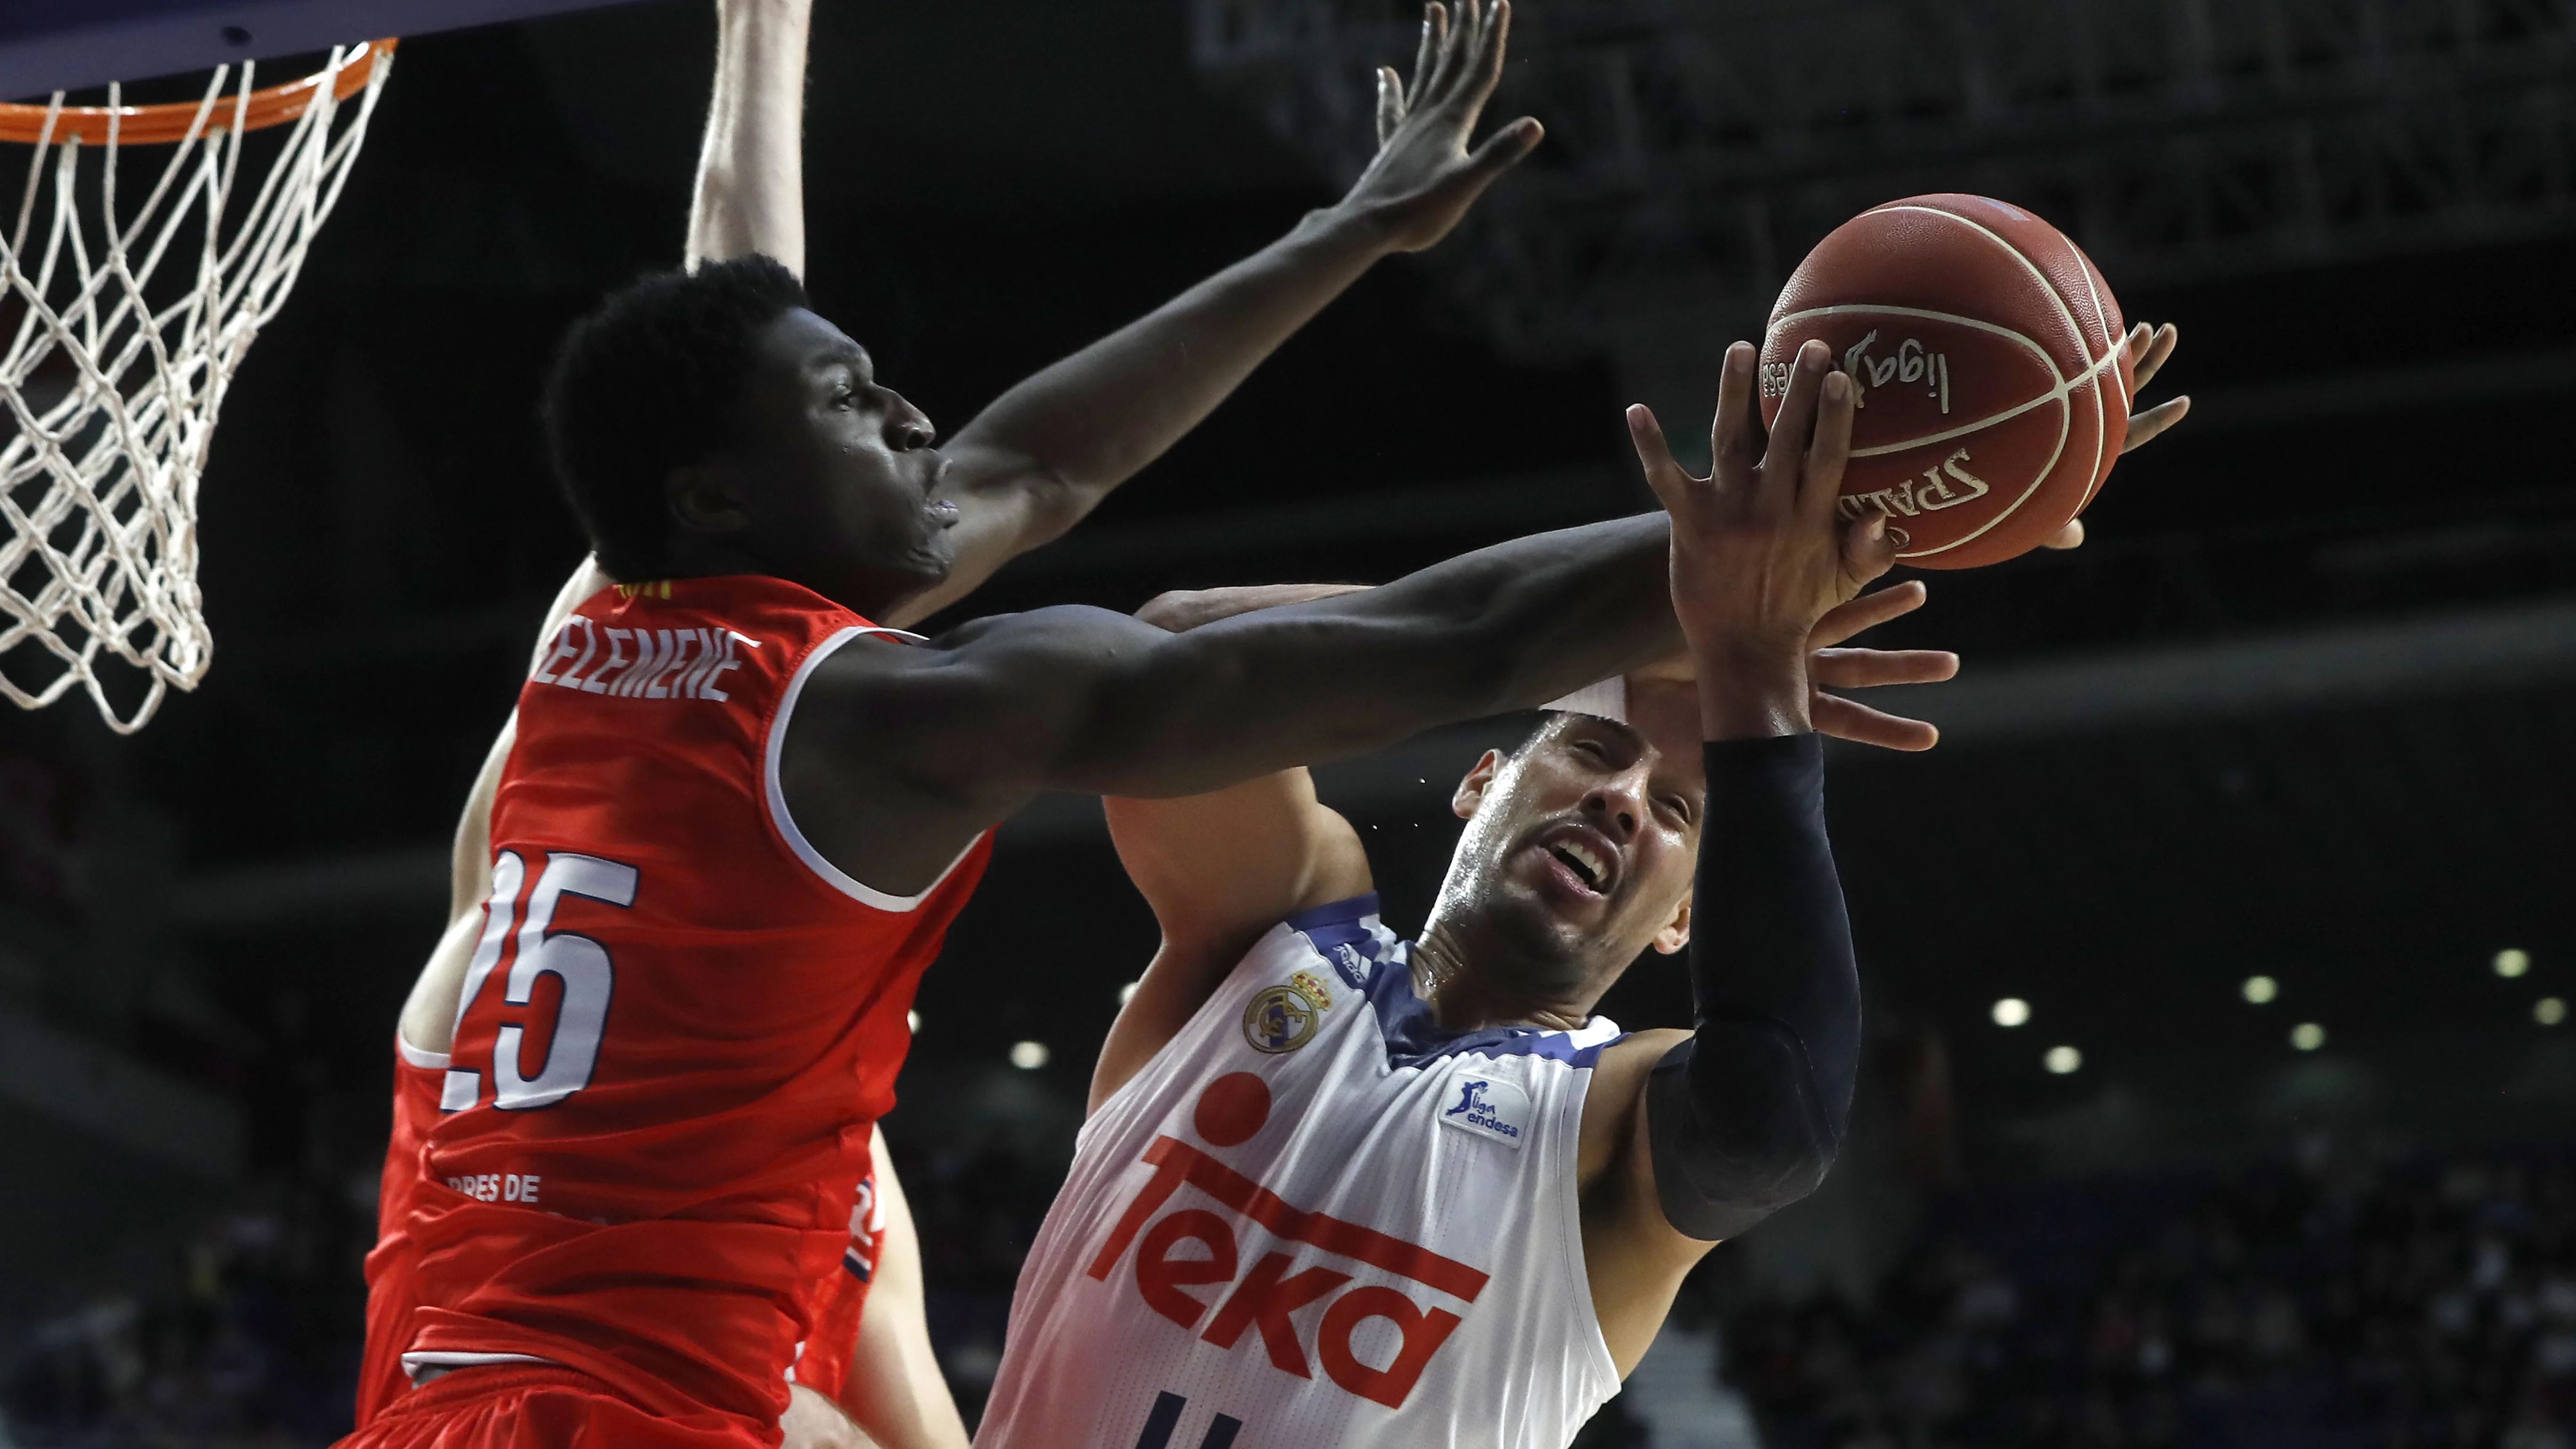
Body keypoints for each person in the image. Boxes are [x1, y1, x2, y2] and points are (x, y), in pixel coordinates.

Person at [352, 0, 1553, 1444]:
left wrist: (756, 37)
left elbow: (802, 369)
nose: (910, 428)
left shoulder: (590, 716)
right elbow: (779, 370)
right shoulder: (742, 750)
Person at [970, 333, 2186, 1447]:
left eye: (1676, 810)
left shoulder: (1599, 1128)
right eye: (1597, 749)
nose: (1621, 799)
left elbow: (1778, 1116)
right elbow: (1176, 664)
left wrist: (1754, 667)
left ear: (1682, 920)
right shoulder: (1280, 925)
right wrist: (1686, 597)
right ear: (1482, 778)